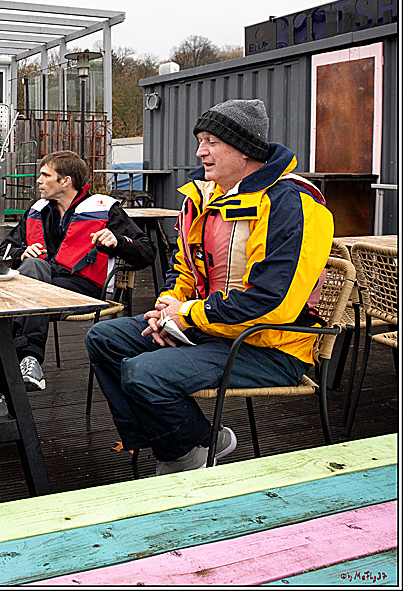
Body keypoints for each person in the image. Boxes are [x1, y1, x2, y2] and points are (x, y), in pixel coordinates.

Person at [85, 99, 334, 476]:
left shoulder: (290, 202)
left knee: (143, 373)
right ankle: (190, 441)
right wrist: (167, 305)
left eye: (212, 141)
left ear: (245, 148)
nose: (200, 151)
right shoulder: (207, 197)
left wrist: (186, 317)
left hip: (269, 345)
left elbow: (273, 302)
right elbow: (184, 266)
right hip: (211, 330)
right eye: (201, 140)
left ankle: (182, 453)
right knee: (103, 337)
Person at [0, 150, 154, 393]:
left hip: (85, 289)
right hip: (41, 287)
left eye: (45, 175)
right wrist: (21, 254)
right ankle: (28, 361)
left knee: (12, 300)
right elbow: (5, 249)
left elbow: (146, 252)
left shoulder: (104, 209)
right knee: (33, 270)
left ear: (65, 181)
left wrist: (118, 241)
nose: (38, 181)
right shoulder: (37, 210)